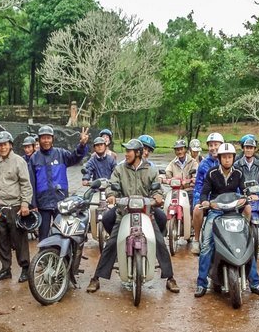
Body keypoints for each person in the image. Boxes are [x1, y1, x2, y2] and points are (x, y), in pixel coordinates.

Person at [86, 139, 179, 293]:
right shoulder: (120, 168)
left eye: (129, 151)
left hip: (147, 213)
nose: (126, 154)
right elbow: (112, 185)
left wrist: (157, 196)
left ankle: (170, 278)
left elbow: (157, 189)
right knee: (112, 243)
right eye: (126, 151)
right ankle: (96, 278)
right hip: (124, 213)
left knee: (159, 242)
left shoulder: (151, 169)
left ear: (138, 153)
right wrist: (111, 195)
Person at [194, 143, 259, 297]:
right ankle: (201, 283)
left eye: (229, 157)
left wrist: (248, 197)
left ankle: (255, 283)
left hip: (234, 211)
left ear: (233, 158)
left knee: (247, 243)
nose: (227, 160)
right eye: (224, 157)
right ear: (219, 158)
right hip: (216, 212)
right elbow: (204, 192)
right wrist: (205, 202)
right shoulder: (212, 173)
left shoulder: (238, 173)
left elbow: (244, 190)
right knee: (207, 245)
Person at [29, 125, 90, 240]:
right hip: (43, 203)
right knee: (43, 235)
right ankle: (44, 252)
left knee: (62, 233)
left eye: (48, 138)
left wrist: (82, 145)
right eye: (43, 138)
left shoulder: (61, 153)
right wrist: (33, 204)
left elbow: (75, 157)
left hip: (60, 201)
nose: (46, 141)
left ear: (52, 139)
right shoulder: (34, 158)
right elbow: (31, 182)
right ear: (39, 140)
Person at [0, 131, 34, 283]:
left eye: (4, 144)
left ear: (10, 145)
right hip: (0, 207)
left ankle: (25, 268)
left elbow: (26, 184)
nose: (2, 147)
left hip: (15, 207)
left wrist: (25, 204)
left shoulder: (19, 161)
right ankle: (5, 269)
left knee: (19, 240)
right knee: (2, 240)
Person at [190, 132, 224, 254]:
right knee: (197, 209)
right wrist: (200, 200)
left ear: (222, 145)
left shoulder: (227, 160)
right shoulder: (203, 164)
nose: (213, 148)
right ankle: (196, 239)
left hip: (224, 199)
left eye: (216, 144)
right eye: (211, 145)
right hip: (207, 199)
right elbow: (198, 185)